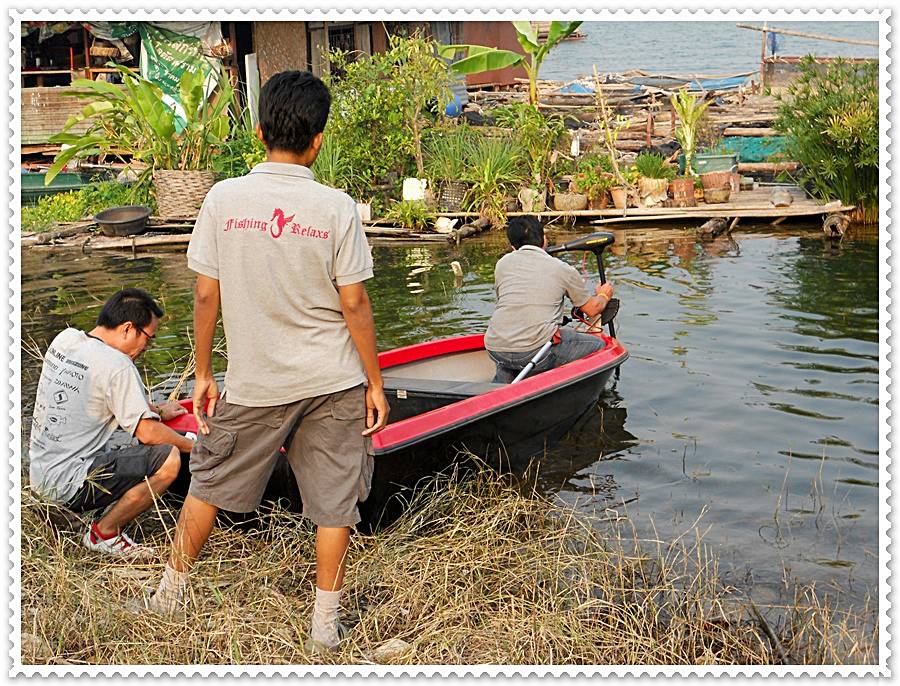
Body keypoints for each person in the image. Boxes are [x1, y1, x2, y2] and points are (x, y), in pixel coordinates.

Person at [145, 71, 390, 653]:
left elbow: (207, 293)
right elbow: (354, 302)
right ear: (319, 140)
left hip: (256, 381)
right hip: (333, 378)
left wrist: (204, 372)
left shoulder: (224, 198)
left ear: (258, 131)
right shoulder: (336, 208)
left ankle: (168, 596)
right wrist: (374, 383)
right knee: (335, 499)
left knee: (208, 479)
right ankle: (324, 625)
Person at [28, 288, 194, 559]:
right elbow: (149, 434)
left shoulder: (66, 340)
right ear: (128, 328)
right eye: (148, 339)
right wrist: (194, 446)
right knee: (169, 458)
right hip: (71, 484)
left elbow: (93, 400)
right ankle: (104, 532)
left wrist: (158, 411)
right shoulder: (117, 365)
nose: (145, 348)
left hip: (41, 478)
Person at [484, 215, 615, 383]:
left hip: (495, 347)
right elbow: (592, 309)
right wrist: (604, 295)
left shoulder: (502, 264)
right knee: (600, 346)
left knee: (513, 354)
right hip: (533, 351)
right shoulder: (561, 269)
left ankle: (502, 385)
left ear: (512, 247)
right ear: (544, 240)